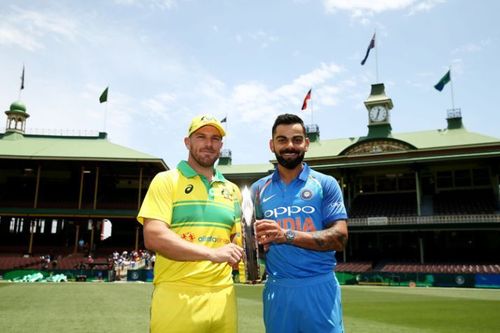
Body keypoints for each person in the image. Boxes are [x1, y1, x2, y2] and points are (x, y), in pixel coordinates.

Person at [137, 115, 244, 333]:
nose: (208, 143)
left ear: (221, 146)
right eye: (201, 137)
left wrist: (248, 258)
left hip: (224, 295)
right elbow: (154, 235)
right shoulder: (166, 180)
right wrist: (212, 254)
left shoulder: (232, 190)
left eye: (215, 139)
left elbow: (238, 241)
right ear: (188, 142)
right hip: (178, 293)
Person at [251, 113, 349, 333]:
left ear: (306, 143)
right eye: (282, 139)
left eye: (296, 139)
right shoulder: (258, 190)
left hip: (319, 287)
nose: (290, 146)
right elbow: (253, 241)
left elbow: (340, 238)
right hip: (278, 289)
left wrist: (286, 235)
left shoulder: (325, 183)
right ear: (272, 145)